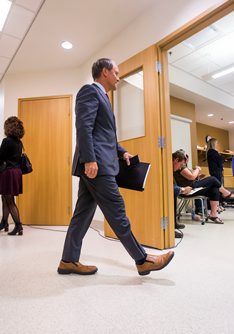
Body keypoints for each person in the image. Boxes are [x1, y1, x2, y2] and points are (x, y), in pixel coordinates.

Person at [58, 58, 174, 276]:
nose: (119, 77)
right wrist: (90, 159)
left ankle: (68, 260)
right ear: (105, 72)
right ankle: (142, 259)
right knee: (117, 211)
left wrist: (122, 152)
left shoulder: (103, 98)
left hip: (98, 162)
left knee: (82, 214)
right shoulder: (89, 91)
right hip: (97, 165)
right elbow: (83, 126)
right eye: (117, 73)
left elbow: (104, 135)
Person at [172, 150, 234, 224]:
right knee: (213, 179)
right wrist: (198, 169)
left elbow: (191, 177)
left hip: (192, 186)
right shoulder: (182, 167)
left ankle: (213, 215)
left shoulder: (181, 166)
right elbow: (191, 177)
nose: (186, 160)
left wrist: (198, 176)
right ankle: (226, 193)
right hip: (188, 188)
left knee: (214, 188)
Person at [0, 116, 25, 236]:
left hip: (8, 173)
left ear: (8, 128)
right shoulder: (19, 142)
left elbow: (0, 158)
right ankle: (4, 222)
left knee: (9, 200)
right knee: (5, 198)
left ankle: (18, 225)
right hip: (16, 172)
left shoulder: (7, 141)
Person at [206, 137, 226, 211]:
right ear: (213, 143)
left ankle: (218, 205)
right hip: (216, 172)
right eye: (216, 143)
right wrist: (222, 158)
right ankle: (218, 205)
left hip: (215, 172)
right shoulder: (212, 152)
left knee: (218, 188)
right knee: (218, 188)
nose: (217, 144)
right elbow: (219, 160)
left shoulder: (210, 152)